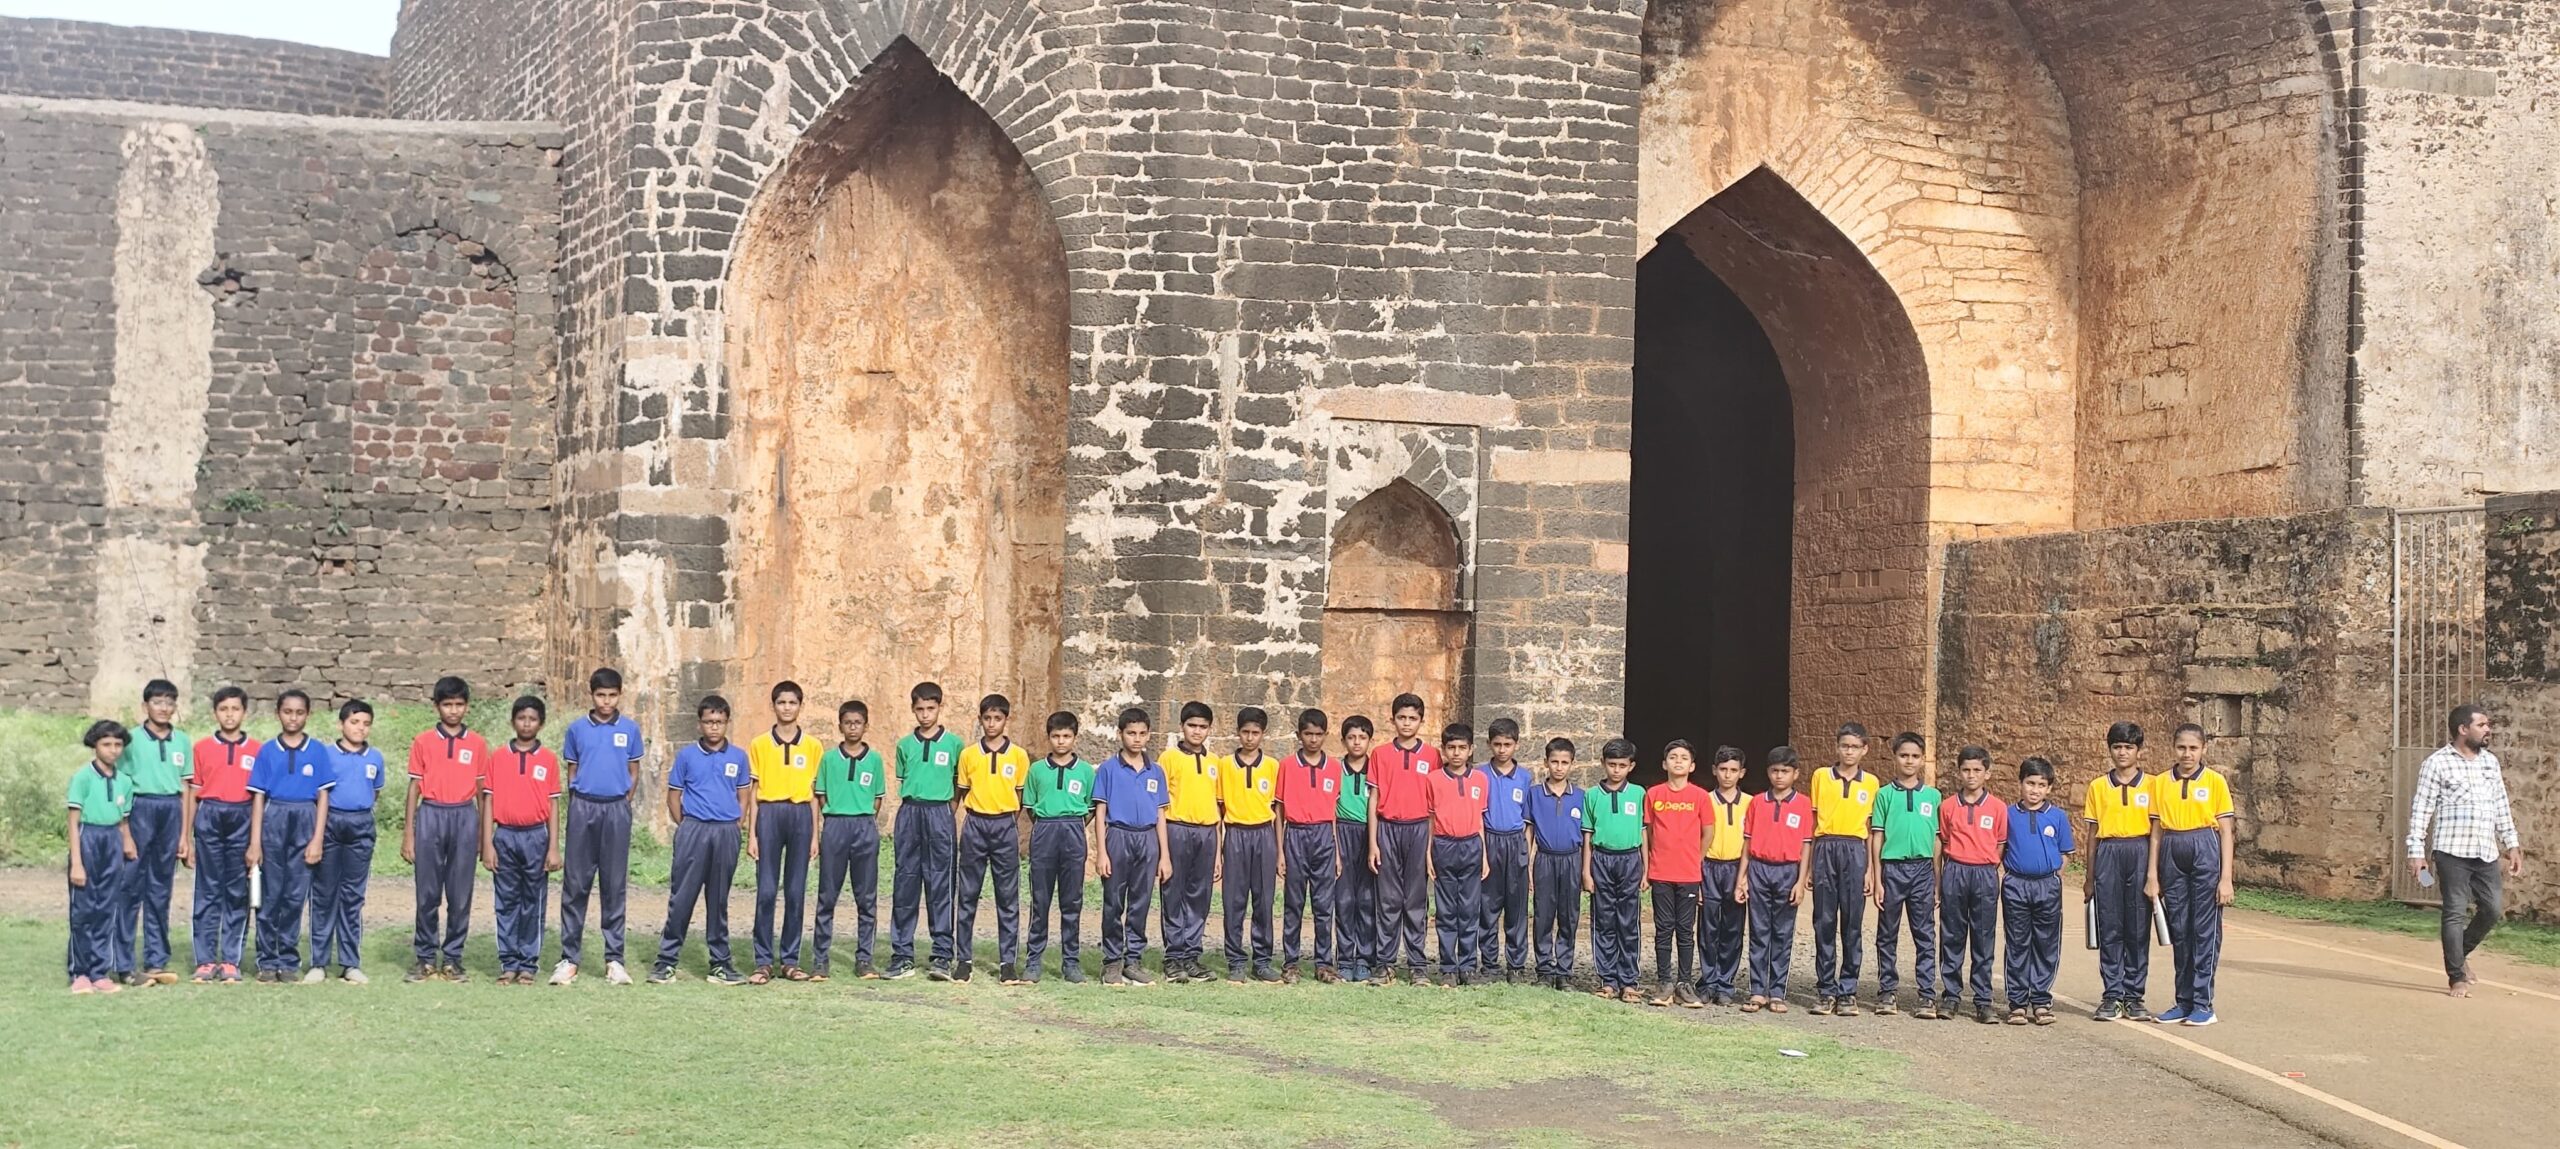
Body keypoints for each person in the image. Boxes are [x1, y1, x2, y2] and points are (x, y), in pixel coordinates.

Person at [2406, 704, 2523, 1000]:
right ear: (2463, 729)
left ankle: (2459, 953)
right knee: (2454, 912)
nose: (2488, 729)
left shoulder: (2490, 763)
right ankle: (2456, 976)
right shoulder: (2437, 763)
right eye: (2482, 725)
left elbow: (2500, 805)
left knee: (2492, 909)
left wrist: (2511, 844)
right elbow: (2421, 809)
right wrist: (2416, 852)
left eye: (2487, 724)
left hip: (2485, 851)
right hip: (2452, 851)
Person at [652, 695, 752, 986]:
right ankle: (666, 961)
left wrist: (736, 825)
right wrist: (686, 825)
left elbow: (743, 797)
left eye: (719, 722)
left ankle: (720, 964)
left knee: (718, 900)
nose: (714, 727)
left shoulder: (738, 757)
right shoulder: (687, 756)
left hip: (726, 831)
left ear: (727, 723)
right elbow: (673, 797)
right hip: (694, 830)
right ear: (700, 724)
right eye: (709, 722)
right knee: (682, 897)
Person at [555, 667, 644, 986]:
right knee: (576, 883)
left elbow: (634, 771)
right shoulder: (577, 729)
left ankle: (614, 960)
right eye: (601, 695)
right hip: (584, 808)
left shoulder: (629, 729)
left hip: (616, 809)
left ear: (620, 695)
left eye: (612, 695)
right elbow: (572, 769)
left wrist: (623, 800)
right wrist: (579, 798)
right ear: (591, 695)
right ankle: (569, 959)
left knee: (614, 884)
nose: (606, 702)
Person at [2152, 723, 2236, 1024]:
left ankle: (2203, 1003)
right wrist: (2152, 875)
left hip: (2204, 848)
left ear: (2203, 749)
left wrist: (2225, 878)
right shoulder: (2161, 782)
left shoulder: (2214, 781)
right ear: (2173, 748)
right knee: (2180, 928)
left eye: (2193, 748)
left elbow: (2226, 832)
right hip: (2172, 849)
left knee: (2204, 929)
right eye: (2181, 748)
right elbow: (2156, 832)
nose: (2187, 754)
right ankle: (2183, 1000)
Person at [246, 690, 332, 983]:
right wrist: (255, 842)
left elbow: (323, 796)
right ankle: (267, 961)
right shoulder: (267, 751)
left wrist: (317, 839)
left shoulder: (317, 751)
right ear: (277, 713)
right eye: (287, 712)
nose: (293, 718)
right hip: (275, 818)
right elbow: (258, 797)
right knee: (271, 894)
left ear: (308, 714)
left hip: (305, 818)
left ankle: (288, 960)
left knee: (295, 895)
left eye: (299, 712)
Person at [405, 676, 486, 983]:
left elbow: (482, 792)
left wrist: (484, 836)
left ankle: (453, 957)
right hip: (431, 814)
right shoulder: (423, 741)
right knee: (427, 891)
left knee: (460, 892)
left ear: (467, 706)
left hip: (464, 816)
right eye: (447, 704)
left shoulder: (477, 743)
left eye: (459, 704)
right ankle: (425, 957)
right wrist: (409, 833)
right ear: (436, 706)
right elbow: (414, 788)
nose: (453, 710)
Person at [746, 681, 821, 984]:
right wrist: (751, 834)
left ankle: (790, 960)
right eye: (781, 702)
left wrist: (815, 835)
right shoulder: (760, 744)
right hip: (770, 814)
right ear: (773, 706)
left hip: (800, 815)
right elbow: (753, 792)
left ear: (800, 706)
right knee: (766, 890)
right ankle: (763, 961)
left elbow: (815, 795)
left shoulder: (813, 746)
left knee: (795, 891)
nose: (787, 708)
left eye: (792, 703)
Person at [484, 696, 563, 985]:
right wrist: (487, 844)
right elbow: (488, 801)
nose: (526, 724)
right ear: (513, 721)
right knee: (506, 901)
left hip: (536, 836)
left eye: (532, 719)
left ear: (541, 723)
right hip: (504, 835)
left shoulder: (548, 759)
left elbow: (554, 805)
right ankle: (508, 962)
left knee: (533, 900)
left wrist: (553, 847)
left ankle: (528, 963)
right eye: (521, 718)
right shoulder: (498, 757)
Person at [114, 679, 187, 987]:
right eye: (157, 702)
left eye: (169, 703)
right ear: (145, 706)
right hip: (140, 808)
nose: (164, 708)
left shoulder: (182, 740)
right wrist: (125, 829)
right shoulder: (130, 740)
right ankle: (123, 961)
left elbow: (185, 787)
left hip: (170, 809)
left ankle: (156, 959)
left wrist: (184, 834)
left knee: (161, 887)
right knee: (130, 886)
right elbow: (120, 783)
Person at [954, 693, 1031, 984]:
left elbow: (1020, 796)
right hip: (975, 824)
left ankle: (1007, 963)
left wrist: (1006, 820)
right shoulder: (969, 755)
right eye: (987, 718)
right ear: (980, 719)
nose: (991, 723)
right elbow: (961, 792)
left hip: (1004, 825)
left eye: (997, 718)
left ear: (1006, 720)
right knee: (968, 894)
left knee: (1007, 896)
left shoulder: (1019, 756)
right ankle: (963, 960)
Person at [889, 681, 964, 980]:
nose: (925, 714)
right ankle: (902, 955)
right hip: (910, 812)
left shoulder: (954, 744)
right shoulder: (904, 745)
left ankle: (942, 955)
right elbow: (903, 779)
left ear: (939, 708)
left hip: (940, 813)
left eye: (930, 708)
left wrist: (947, 811)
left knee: (941, 884)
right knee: (905, 882)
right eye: (920, 709)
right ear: (913, 709)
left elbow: (959, 784)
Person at [2083, 721, 2157, 1021]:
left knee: (2138, 927)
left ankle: (2134, 995)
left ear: (2139, 750)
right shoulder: (2099, 787)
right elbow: (2092, 834)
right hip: (2109, 852)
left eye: (2128, 747)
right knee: (2110, 925)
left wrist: (2153, 873)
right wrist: (2089, 877)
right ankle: (2112, 994)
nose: (2122, 752)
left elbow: (2157, 831)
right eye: (2117, 747)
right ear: (2109, 750)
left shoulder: (2153, 785)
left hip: (2140, 850)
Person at [186, 686, 259, 983]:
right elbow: (193, 794)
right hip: (210, 815)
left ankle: (230, 959)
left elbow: (259, 797)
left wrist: (256, 840)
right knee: (208, 888)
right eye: (223, 709)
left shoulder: (257, 749)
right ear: (215, 713)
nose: (229, 715)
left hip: (242, 815)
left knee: (237, 890)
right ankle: (205, 959)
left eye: (235, 709)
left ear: (245, 712)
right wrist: (186, 837)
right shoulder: (202, 747)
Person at [1092, 707, 1170, 986]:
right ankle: (1112, 961)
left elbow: (1160, 814)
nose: (1137, 739)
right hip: (1118, 836)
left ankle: (1133, 960)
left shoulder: (1155, 771)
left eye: (1142, 733)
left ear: (1149, 735)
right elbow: (1100, 812)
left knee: (1141, 901)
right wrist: (1101, 852)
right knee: (1114, 901)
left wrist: (1164, 855)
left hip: (1147, 839)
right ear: (1120, 734)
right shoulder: (1109, 769)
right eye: (1131, 733)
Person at [1367, 692, 1440, 985]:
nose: (1407, 723)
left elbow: (1435, 804)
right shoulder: (1380, 754)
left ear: (1421, 721)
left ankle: (1417, 965)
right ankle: (1385, 964)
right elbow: (1374, 798)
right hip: (1388, 828)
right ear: (1392, 719)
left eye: (1412, 718)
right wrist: (1373, 843)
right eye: (1402, 718)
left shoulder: (1432, 756)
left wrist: (1431, 845)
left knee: (1415, 899)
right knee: (1388, 899)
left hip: (1419, 829)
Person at [1807, 723, 1879, 1015]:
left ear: (1865, 750)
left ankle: (1848, 991)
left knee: (1852, 923)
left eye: (1855, 747)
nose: (1849, 752)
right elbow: (1813, 823)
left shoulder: (1871, 783)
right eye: (1845, 746)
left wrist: (1869, 870)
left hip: (1855, 849)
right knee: (1824, 921)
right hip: (1826, 847)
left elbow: (1871, 830)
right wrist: (1809, 866)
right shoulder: (1821, 776)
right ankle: (1826, 990)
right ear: (1837, 747)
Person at [812, 699, 886, 980]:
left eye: (858, 723)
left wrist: (862, 817)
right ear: (840, 726)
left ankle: (864, 960)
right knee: (827, 896)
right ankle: (820, 960)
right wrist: (835, 815)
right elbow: (821, 795)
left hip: (864, 826)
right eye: (848, 723)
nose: (853, 727)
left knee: (866, 898)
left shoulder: (875, 760)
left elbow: (877, 799)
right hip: (835, 826)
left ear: (866, 726)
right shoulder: (829, 759)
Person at [312, 700, 385, 983]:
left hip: (361, 825)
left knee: (353, 896)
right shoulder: (326, 755)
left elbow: (374, 792)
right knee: (324, 893)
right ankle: (319, 962)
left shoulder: (375, 757)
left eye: (366, 724)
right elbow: (320, 794)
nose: (360, 728)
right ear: (341, 724)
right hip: (331, 823)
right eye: (354, 722)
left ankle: (350, 963)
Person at [1868, 732, 1940, 1017]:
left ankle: (1927, 995)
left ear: (1922, 760)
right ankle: (1887, 992)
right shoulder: (1884, 795)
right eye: (1904, 755)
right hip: (1892, 869)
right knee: (1887, 933)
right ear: (1895, 758)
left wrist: (1937, 880)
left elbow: (1937, 841)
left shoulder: (1933, 796)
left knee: (1925, 933)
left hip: (1922, 869)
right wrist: (1877, 879)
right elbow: (1877, 837)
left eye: (1915, 756)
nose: (1909, 761)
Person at [1022, 711, 1096, 983]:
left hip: (1073, 831)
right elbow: (1030, 807)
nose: (1061, 741)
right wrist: (1048, 823)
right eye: (1056, 736)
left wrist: (1072, 825)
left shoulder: (1086, 771)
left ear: (1075, 737)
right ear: (1048, 737)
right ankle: (1033, 961)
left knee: (1072, 900)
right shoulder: (1037, 770)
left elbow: (1090, 808)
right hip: (1045, 830)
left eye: (1066, 736)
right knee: (1040, 900)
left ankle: (1071, 963)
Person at [66, 720, 138, 995]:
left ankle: (99, 971)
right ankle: (80, 972)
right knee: (84, 909)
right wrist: (77, 862)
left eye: (118, 744)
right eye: (106, 744)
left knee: (107, 907)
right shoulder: (83, 778)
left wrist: (127, 842)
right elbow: (73, 822)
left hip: (112, 840)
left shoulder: (125, 782)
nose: (113, 750)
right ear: (95, 745)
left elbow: (123, 819)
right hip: (88, 838)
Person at [1739, 746, 1812, 1013]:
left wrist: (1800, 882)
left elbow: (1806, 845)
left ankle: (1778, 991)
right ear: (1768, 772)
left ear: (1796, 774)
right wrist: (1742, 877)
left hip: (1788, 870)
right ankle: (1758, 990)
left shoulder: (1803, 804)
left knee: (1782, 932)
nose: (1779, 776)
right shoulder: (1757, 802)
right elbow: (1747, 843)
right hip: (1759, 868)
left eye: (1785, 771)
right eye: (1775, 771)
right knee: (1759, 931)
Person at [1159, 700, 1226, 983]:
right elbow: (1159, 804)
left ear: (1209, 729)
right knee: (1173, 893)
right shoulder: (1169, 758)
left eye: (1203, 726)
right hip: (1177, 828)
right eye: (1192, 726)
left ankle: (1191, 955)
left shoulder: (1215, 762)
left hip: (1207, 833)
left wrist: (1218, 852)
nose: (1197, 731)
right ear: (1182, 727)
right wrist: (1163, 850)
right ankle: (1173, 957)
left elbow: (1219, 808)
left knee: (1200, 896)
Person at [1936, 746, 2005, 1023]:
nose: (1971, 775)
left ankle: (1983, 1000)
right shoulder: (1948, 806)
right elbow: (1942, 842)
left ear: (1987, 773)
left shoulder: (1998, 807)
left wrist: (1987, 866)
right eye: (1966, 770)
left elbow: (2000, 843)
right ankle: (1951, 996)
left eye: (1977, 770)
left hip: (1984, 873)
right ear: (1958, 772)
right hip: (1955, 871)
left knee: (1983, 936)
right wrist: (1943, 877)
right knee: (1952, 934)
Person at [2004, 756, 2074, 1025]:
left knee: (2046, 943)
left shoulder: (2057, 816)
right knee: (2017, 943)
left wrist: (2053, 876)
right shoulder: (2008, 814)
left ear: (2049, 788)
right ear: (2020, 783)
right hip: (2016, 885)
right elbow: (2000, 848)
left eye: (2041, 785)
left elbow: (2065, 853)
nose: (2035, 790)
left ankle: (2041, 1000)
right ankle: (2017, 1002)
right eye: (2030, 783)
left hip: (2047, 885)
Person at [1275, 708, 1342, 983]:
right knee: (1294, 903)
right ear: (1299, 735)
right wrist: (1280, 851)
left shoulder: (1334, 767)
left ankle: (1324, 963)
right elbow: (1279, 811)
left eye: (1318, 734)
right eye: (1308, 734)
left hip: (1324, 836)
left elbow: (1334, 811)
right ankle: (1290, 963)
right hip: (1296, 834)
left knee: (1324, 904)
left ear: (1326, 735)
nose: (1313, 739)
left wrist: (1336, 851)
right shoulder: (1287, 765)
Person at [1218, 707, 1282, 982]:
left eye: (1255, 733)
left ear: (1263, 734)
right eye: (1245, 732)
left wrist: (1279, 850)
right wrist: (1219, 849)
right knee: (1234, 900)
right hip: (1235, 834)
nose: (1249, 737)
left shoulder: (1272, 766)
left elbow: (1277, 810)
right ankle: (1235, 961)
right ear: (1237, 732)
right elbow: (1219, 808)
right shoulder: (1224, 765)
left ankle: (1263, 961)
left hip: (1263, 834)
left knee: (1264, 900)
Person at [1643, 740, 1708, 1007]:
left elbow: (1708, 832)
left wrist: (1696, 860)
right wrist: (1650, 863)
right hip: (1661, 871)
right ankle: (1664, 982)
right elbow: (1648, 831)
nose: (1678, 761)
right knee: (1663, 928)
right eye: (1673, 757)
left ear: (1692, 766)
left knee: (1684, 930)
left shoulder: (1700, 796)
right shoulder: (1654, 794)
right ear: (1664, 763)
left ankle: (1684, 983)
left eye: (1684, 757)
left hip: (1689, 874)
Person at [1425, 723, 1488, 986]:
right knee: (1446, 910)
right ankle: (1448, 967)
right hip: (1444, 845)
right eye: (1451, 747)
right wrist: (1429, 854)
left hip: (1471, 845)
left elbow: (1480, 820)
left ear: (1471, 749)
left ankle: (1468, 966)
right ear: (1443, 750)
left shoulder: (1480, 780)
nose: (1457, 753)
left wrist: (1484, 855)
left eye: (1462, 747)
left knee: (1470, 909)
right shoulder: (1433, 779)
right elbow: (1430, 819)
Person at [1583, 738, 1645, 1002]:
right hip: (1602, 859)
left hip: (1630, 859)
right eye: (1612, 764)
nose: (1616, 770)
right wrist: (1586, 872)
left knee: (1628, 921)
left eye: (1622, 765)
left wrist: (1645, 869)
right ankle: (1608, 979)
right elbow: (1587, 836)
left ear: (1631, 766)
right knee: (1604, 919)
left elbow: (1644, 833)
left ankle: (1628, 980)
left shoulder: (1639, 794)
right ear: (1603, 764)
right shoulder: (1592, 795)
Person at [1476, 718, 1533, 982]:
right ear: (1489, 744)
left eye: (1507, 744)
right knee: (1488, 904)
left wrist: (1526, 854)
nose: (1502, 749)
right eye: (1497, 744)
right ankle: (1489, 964)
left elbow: (1528, 822)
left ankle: (1516, 965)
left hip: (1515, 841)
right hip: (1490, 840)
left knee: (1516, 906)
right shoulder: (1480, 775)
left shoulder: (1525, 777)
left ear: (1516, 745)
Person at [1527, 737, 1585, 990]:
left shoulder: (1581, 796)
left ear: (1572, 764)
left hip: (1571, 859)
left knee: (1569, 915)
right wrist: (1528, 865)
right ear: (1545, 763)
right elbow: (1529, 832)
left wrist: (1585, 869)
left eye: (1564, 762)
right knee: (1543, 914)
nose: (1559, 767)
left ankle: (1564, 971)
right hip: (1545, 859)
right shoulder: (1534, 794)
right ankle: (1544, 969)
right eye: (1554, 762)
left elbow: (1586, 836)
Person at [1695, 745, 1751, 1006]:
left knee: (1733, 928)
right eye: (1723, 769)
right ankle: (1708, 981)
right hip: (1709, 866)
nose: (1728, 775)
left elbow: (1752, 841)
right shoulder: (1704, 800)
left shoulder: (1750, 803)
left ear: (1742, 773)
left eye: (1733, 770)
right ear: (1714, 771)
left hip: (1736, 868)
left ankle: (1726, 983)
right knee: (1707, 927)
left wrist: (1746, 876)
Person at [1333, 715, 1380, 984]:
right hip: (1343, 831)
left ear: (1370, 740)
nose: (1357, 742)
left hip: (1370, 834)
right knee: (1344, 899)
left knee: (1367, 899)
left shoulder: (1377, 769)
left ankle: (1365, 959)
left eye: (1362, 737)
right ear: (1343, 741)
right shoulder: (1335, 769)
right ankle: (1344, 958)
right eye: (1351, 737)